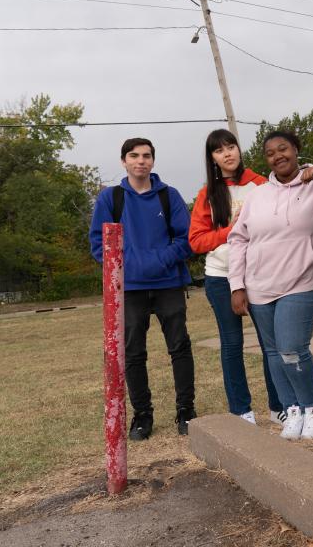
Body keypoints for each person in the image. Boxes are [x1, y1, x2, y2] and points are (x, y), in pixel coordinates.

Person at [89, 138, 196, 439]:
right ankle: (142, 416)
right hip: (129, 288)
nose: (141, 161)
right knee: (133, 353)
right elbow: (100, 245)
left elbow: (186, 240)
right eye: (134, 156)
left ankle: (186, 411)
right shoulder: (111, 199)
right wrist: (132, 267)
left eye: (146, 156)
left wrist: (160, 260)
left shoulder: (169, 196)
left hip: (168, 284)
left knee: (179, 347)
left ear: (153, 161)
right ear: (124, 161)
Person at [227, 130, 313, 441]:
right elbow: (238, 238)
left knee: (291, 348)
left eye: (283, 149)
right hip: (259, 285)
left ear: (297, 150)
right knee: (272, 352)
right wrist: (237, 285)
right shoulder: (258, 195)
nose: (277, 156)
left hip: (301, 281)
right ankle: (292, 409)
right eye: (270, 153)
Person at [189, 129, 284, 427]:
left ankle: (278, 406)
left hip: (259, 275)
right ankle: (241, 410)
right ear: (213, 159)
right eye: (219, 150)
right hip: (220, 277)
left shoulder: (261, 185)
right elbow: (196, 241)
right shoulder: (208, 194)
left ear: (239, 149)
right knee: (232, 344)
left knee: (271, 343)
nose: (227, 153)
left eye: (231, 146)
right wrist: (232, 231)